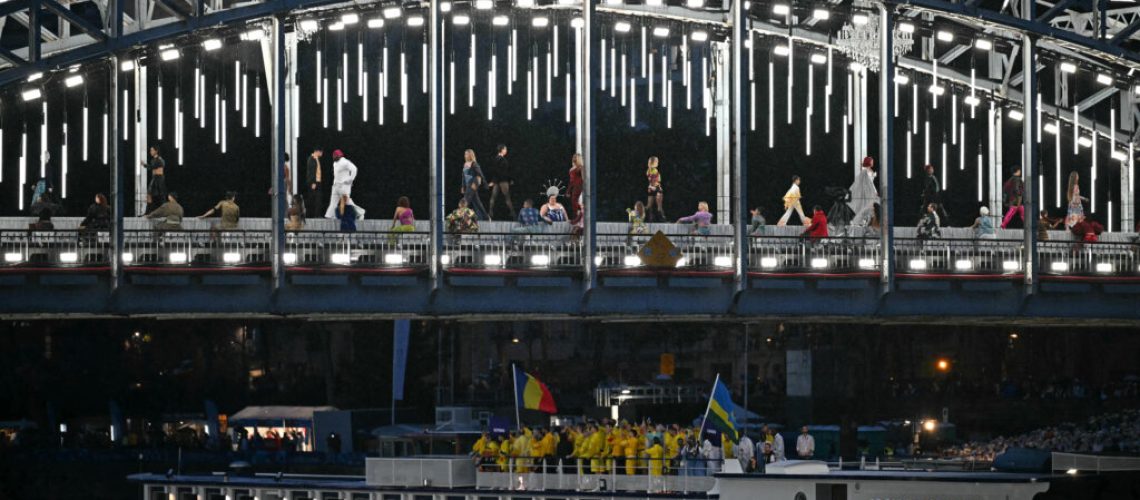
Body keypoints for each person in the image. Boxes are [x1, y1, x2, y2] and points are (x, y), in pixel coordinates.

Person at [325, 150, 362, 219]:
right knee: (333, 202)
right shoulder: (335, 163)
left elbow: (354, 169)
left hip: (344, 186)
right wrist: (334, 184)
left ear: (339, 156)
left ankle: (360, 213)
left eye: (335, 156)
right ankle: (329, 215)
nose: (334, 157)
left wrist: (350, 180)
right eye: (334, 156)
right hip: (336, 185)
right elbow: (336, 175)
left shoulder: (345, 162)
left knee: (347, 202)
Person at [849, 156, 880, 227]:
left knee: (868, 208)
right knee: (869, 208)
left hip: (869, 192)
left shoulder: (867, 171)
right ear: (869, 162)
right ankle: (858, 221)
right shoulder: (866, 171)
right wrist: (874, 191)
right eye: (872, 161)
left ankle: (861, 221)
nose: (873, 162)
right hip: (869, 192)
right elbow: (869, 183)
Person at [461, 149, 490, 220]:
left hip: (473, 184)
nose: (465, 155)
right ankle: (486, 217)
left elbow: (480, 174)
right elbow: (463, 176)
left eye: (466, 154)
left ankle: (461, 217)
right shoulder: (465, 164)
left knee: (465, 200)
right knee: (477, 203)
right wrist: (463, 186)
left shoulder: (474, 163)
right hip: (468, 185)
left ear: (470, 155)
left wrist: (485, 183)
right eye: (465, 154)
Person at [488, 144, 515, 219]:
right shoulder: (502, 159)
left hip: (497, 180)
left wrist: (493, 181)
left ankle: (490, 213)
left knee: (493, 197)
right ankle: (513, 214)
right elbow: (503, 172)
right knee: (507, 197)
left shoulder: (496, 159)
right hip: (502, 181)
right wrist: (509, 179)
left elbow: (495, 171)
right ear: (502, 149)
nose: (506, 151)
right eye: (505, 149)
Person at [645, 156, 666, 222]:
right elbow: (654, 180)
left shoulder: (650, 170)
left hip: (654, 188)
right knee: (654, 206)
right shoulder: (652, 170)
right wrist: (652, 187)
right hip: (654, 188)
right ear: (653, 162)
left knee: (653, 206)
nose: (658, 163)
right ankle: (656, 219)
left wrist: (652, 187)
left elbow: (654, 181)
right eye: (657, 162)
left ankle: (660, 219)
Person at [305, 147, 324, 218]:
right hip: (313, 182)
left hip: (318, 182)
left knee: (318, 199)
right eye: (321, 152)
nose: (322, 154)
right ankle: (310, 215)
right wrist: (313, 182)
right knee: (312, 199)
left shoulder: (317, 159)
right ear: (317, 151)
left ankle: (317, 215)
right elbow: (311, 172)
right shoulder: (311, 159)